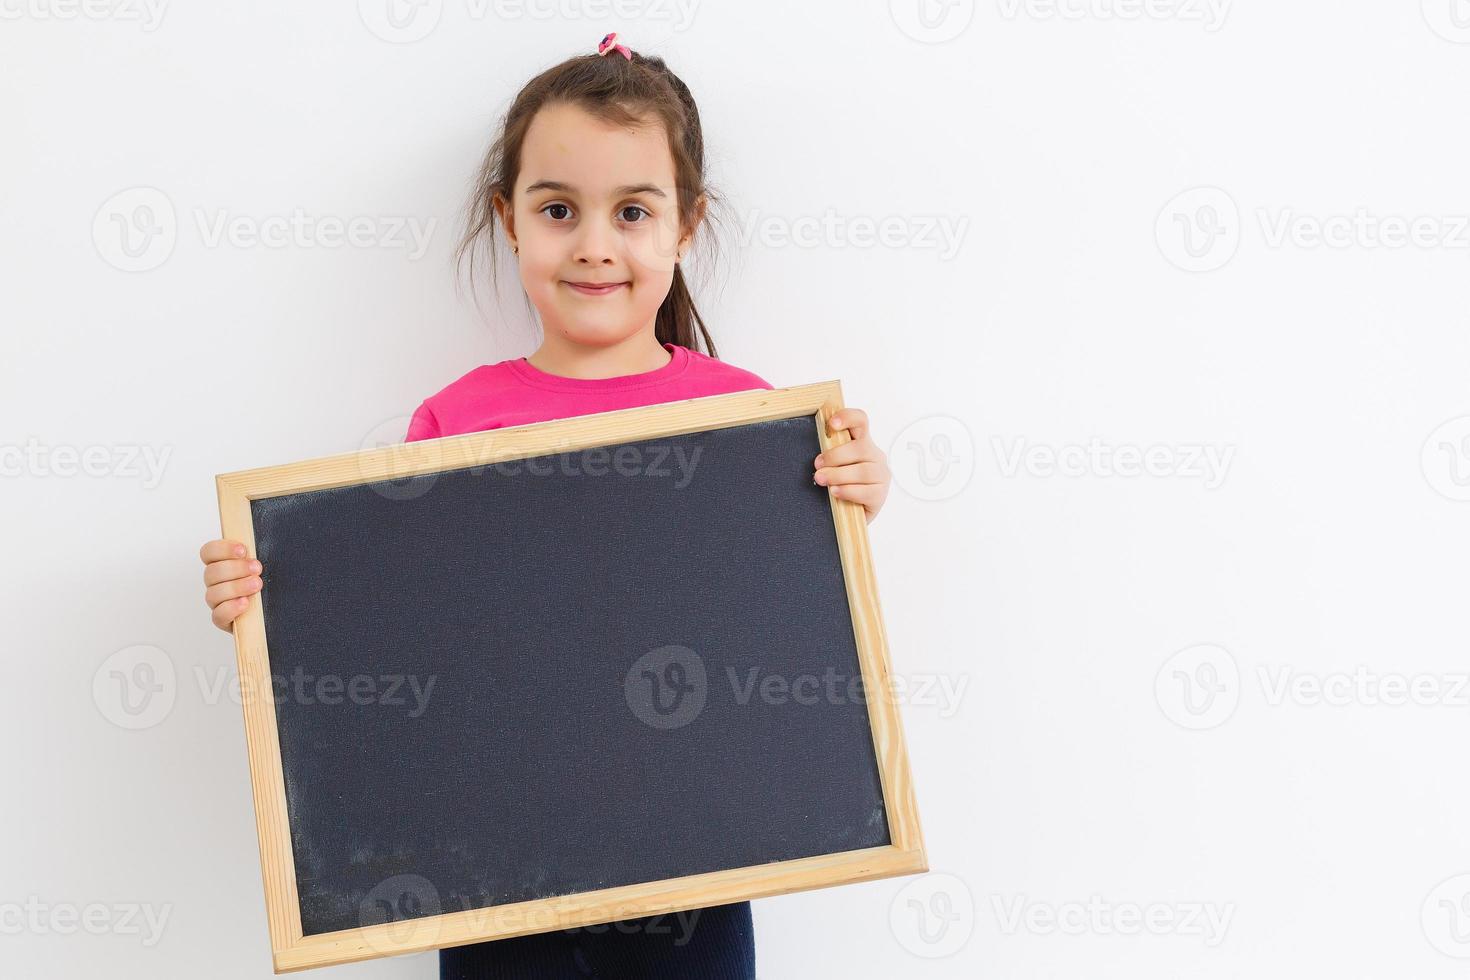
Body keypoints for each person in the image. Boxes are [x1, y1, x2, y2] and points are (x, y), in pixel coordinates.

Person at [198, 32, 893, 980]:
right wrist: (270, 596)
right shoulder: (455, 419)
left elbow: (783, 608)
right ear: (511, 219)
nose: (596, 246)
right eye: (559, 209)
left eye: (633, 211)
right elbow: (400, 632)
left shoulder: (748, 417)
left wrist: (853, 496)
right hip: (495, 878)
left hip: (692, 870)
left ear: (685, 224)